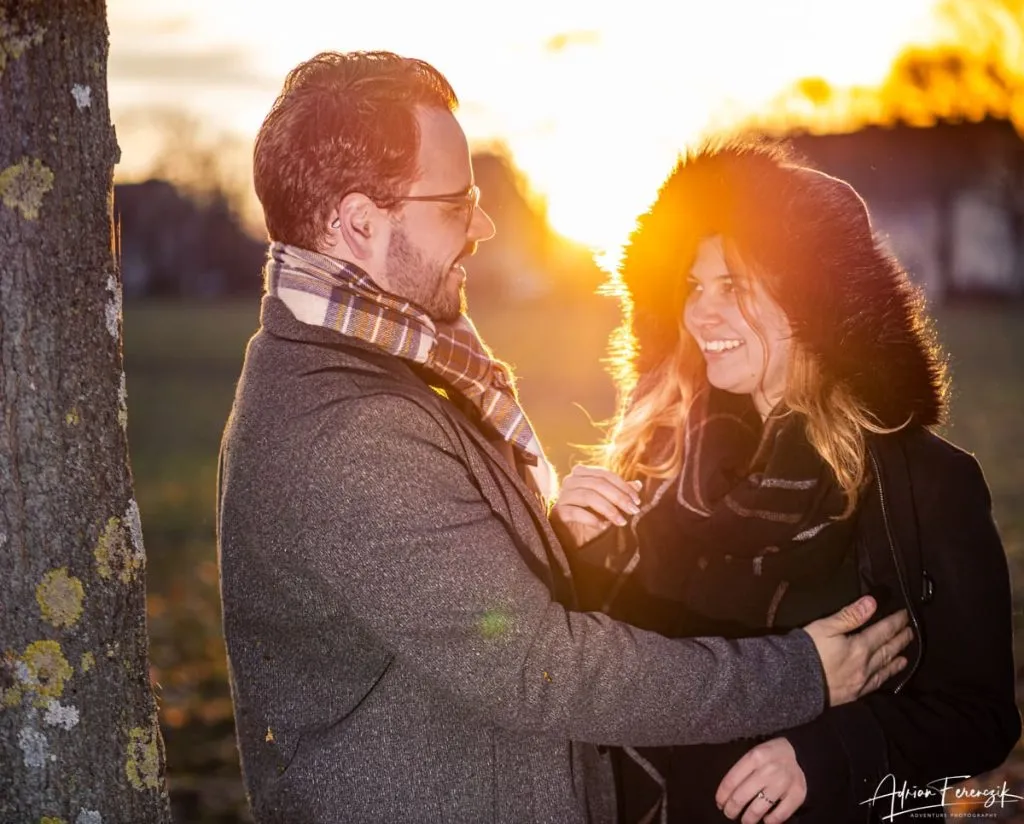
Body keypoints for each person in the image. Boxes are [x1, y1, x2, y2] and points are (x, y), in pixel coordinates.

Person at [216, 53, 913, 824]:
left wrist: (545, 544)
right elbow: (540, 669)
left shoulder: (363, 367)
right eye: (456, 203)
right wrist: (802, 675)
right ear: (358, 223)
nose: (482, 226)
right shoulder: (354, 428)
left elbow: (440, 604)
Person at [553, 138, 1020, 824]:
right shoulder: (659, 462)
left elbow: (980, 716)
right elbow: (597, 664)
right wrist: (567, 551)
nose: (700, 313)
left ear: (811, 301)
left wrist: (828, 754)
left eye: (734, 287)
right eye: (693, 286)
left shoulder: (923, 485)